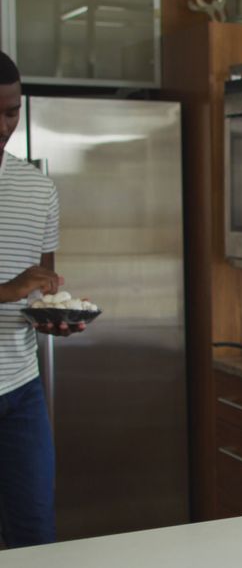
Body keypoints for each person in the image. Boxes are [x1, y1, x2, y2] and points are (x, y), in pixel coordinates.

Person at [0, 50, 84, 548]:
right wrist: (10, 289)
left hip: (20, 390)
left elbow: (43, 288)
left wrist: (55, 318)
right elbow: (18, 288)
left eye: (11, 112)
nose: (4, 125)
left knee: (35, 538)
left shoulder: (38, 188)